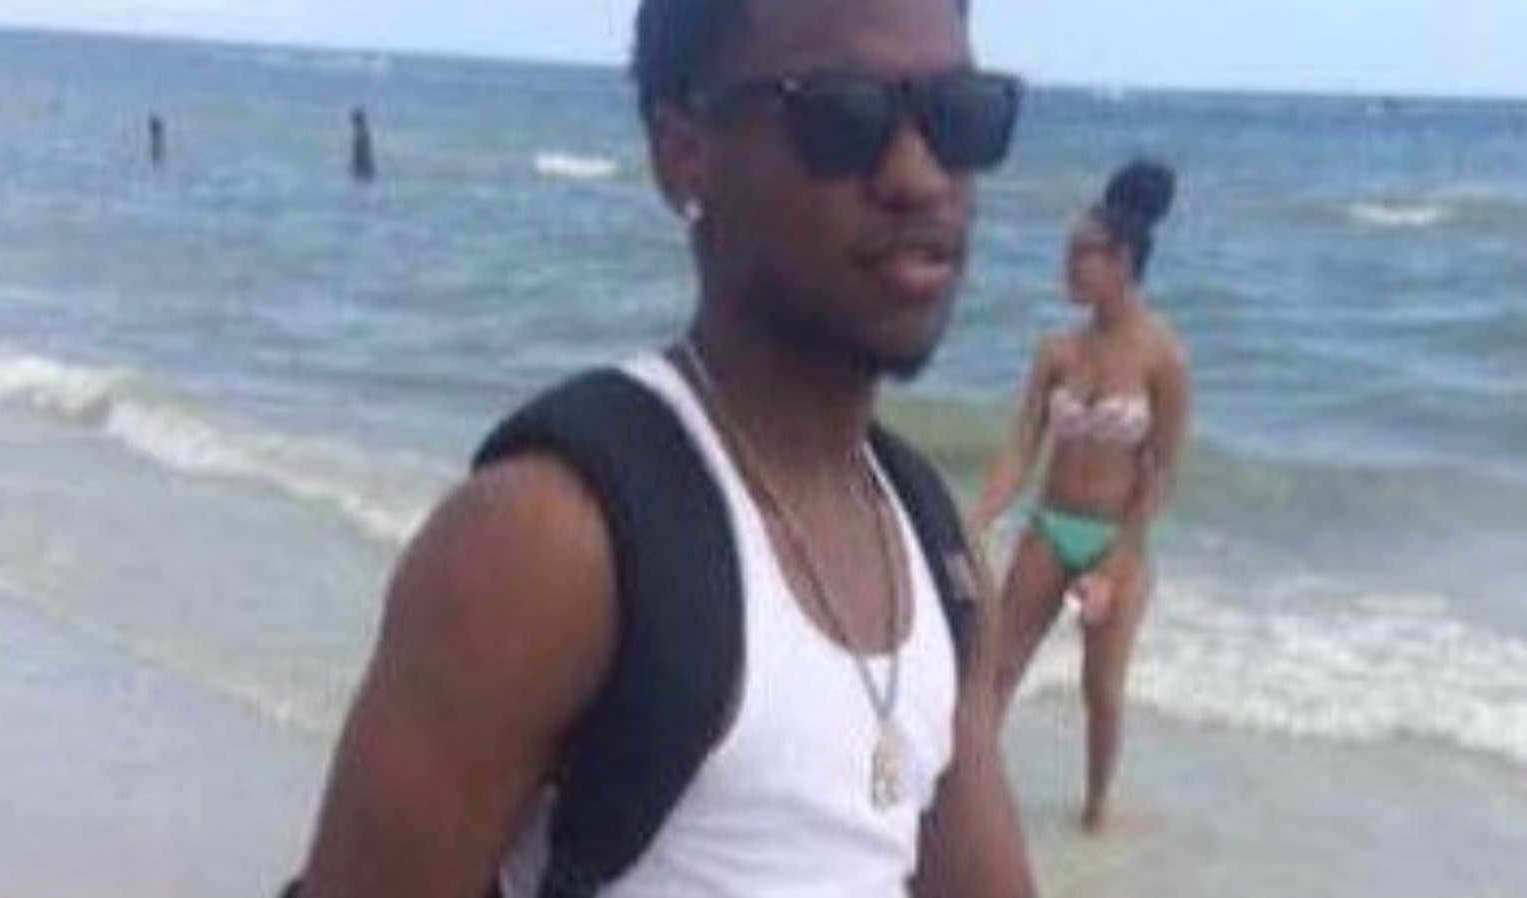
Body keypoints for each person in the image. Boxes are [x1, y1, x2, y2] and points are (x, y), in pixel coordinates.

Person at [293, 0, 1033, 896]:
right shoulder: (552, 540)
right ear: (683, 154)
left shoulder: (935, 552)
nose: (917, 175)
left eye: (961, 115)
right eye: (843, 115)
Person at [968, 158, 1190, 832]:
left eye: (1080, 253)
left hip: (1118, 539)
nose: (1066, 265)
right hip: (1050, 528)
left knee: (1102, 693)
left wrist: (1114, 566)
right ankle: (970, 800)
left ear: (1120, 261)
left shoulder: (1163, 356)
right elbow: (1020, 448)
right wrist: (976, 518)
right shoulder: (1057, 350)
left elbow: (1162, 471)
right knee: (996, 671)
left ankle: (1095, 812)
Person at [350, 106, 376, 183]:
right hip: (365, 165)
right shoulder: (363, 134)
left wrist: (354, 166)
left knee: (361, 183)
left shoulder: (361, 135)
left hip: (363, 166)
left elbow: (360, 153)